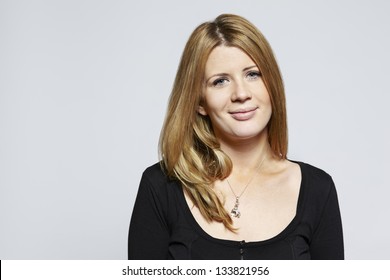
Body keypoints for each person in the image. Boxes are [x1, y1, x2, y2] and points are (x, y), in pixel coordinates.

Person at [128, 14, 344, 260]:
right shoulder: (160, 186)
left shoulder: (318, 189)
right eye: (220, 81)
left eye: (253, 74)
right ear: (200, 102)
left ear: (271, 84)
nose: (241, 94)